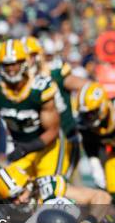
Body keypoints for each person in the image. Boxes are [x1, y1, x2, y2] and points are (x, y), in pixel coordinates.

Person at [0, 39, 65, 181]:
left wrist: (27, 148)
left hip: (46, 148)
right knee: (10, 192)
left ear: (24, 62)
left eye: (14, 63)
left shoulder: (39, 88)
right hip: (19, 147)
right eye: (6, 64)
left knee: (48, 192)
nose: (10, 69)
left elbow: (52, 130)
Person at [23, 36, 89, 178]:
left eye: (32, 56)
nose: (28, 61)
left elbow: (88, 87)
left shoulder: (55, 72)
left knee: (60, 185)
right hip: (34, 143)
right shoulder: (16, 82)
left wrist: (83, 111)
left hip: (63, 136)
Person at [77, 82, 115, 214]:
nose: (88, 117)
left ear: (103, 106)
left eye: (92, 113)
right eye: (86, 114)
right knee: (114, 189)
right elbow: (89, 144)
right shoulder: (85, 126)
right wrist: (94, 163)